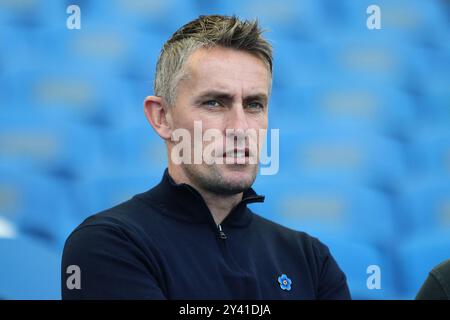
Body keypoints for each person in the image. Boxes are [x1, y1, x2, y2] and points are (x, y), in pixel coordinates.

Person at [61, 14, 351, 300]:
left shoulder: (311, 261)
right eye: (214, 103)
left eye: (254, 105)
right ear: (162, 117)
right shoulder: (108, 245)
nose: (240, 128)